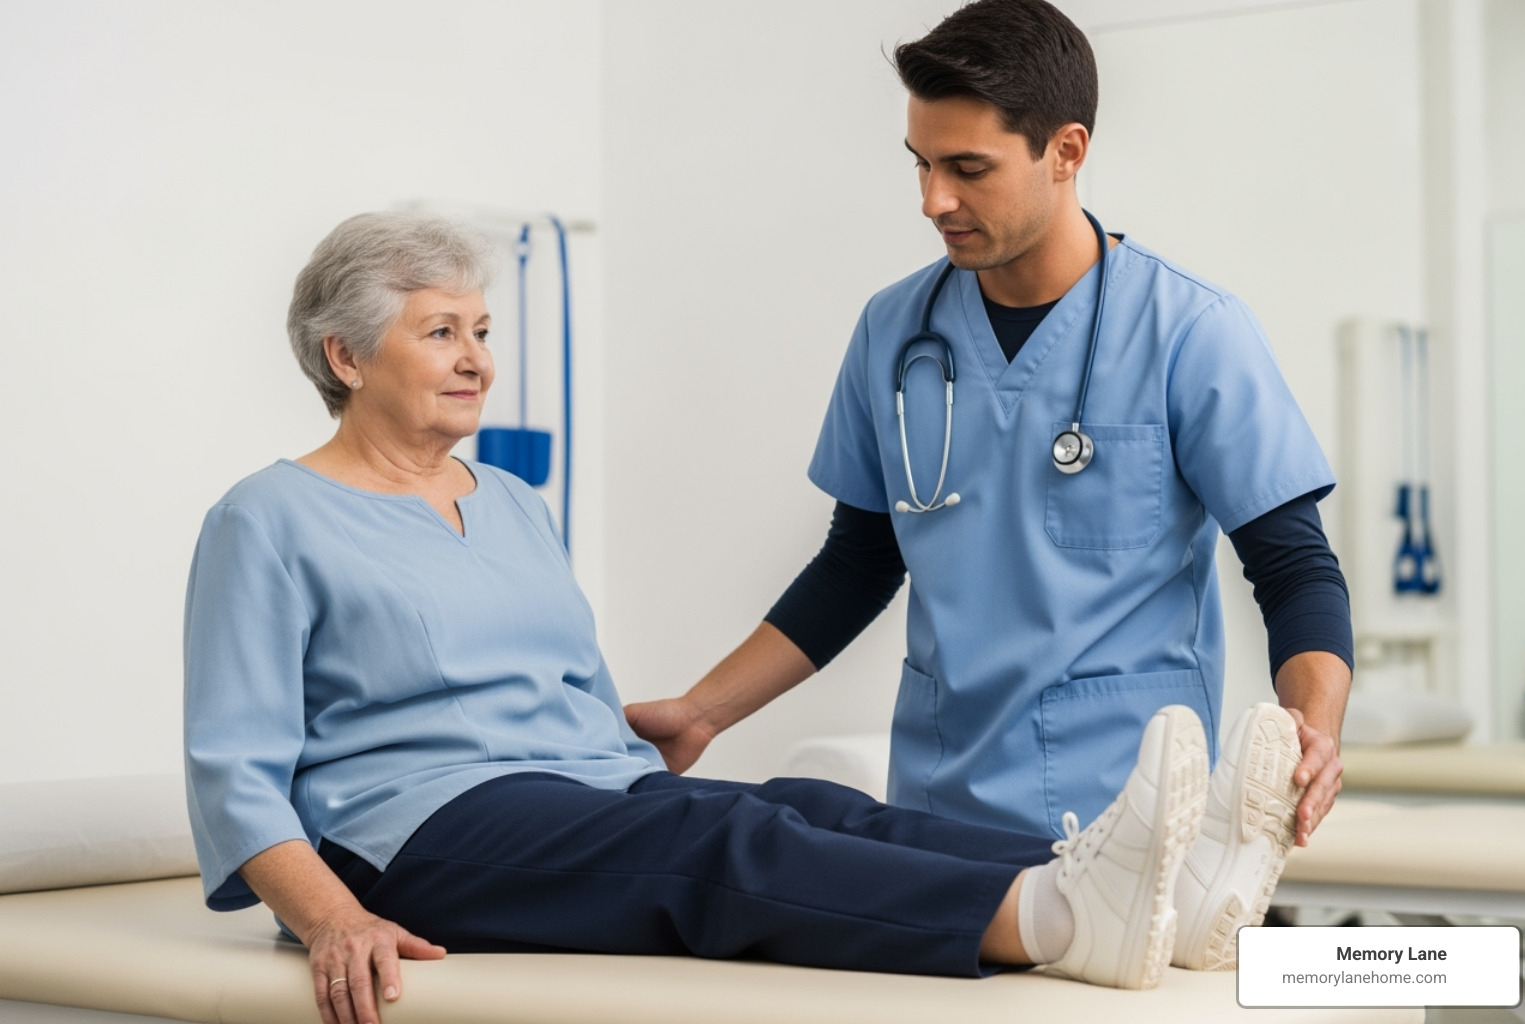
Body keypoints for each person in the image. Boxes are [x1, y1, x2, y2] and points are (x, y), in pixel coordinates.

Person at [185, 211, 1308, 1024]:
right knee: (717, 840)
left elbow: (580, 695)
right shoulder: (271, 516)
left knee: (810, 803)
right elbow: (235, 768)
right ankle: (1056, 917)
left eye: (482, 330)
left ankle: (1151, 889)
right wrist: (331, 918)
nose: (478, 358)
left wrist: (645, 746)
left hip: (581, 795)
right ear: (345, 355)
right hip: (416, 836)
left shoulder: (513, 504)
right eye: (441, 333)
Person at [624, 0, 1351, 974]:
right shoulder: (895, 332)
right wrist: (705, 711)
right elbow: (859, 560)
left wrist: (1313, 729)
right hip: (937, 824)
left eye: (968, 168)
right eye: (921, 164)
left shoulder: (1189, 332)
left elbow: (1293, 563)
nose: (933, 199)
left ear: (1066, 149)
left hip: (1127, 824)